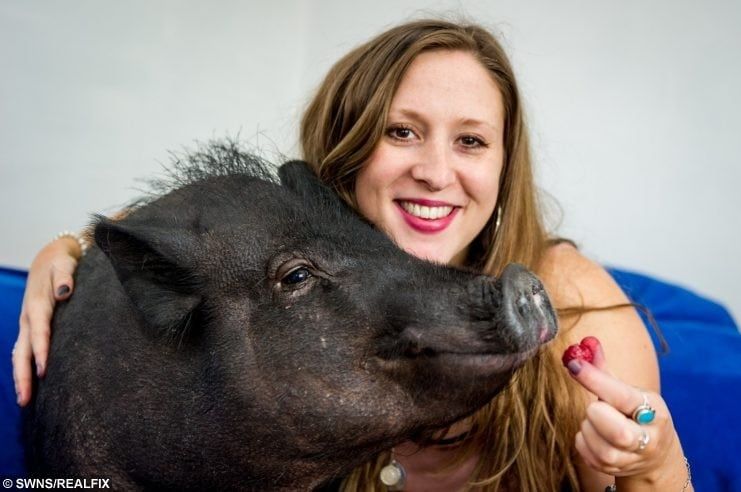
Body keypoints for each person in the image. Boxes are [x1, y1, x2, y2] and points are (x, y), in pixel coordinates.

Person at [13, 19, 692, 491]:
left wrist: (652, 465)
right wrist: (67, 249)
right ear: (348, 144)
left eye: (471, 142)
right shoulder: (294, 229)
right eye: (402, 131)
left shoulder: (576, 312)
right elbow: (155, 236)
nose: (434, 171)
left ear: (504, 166)